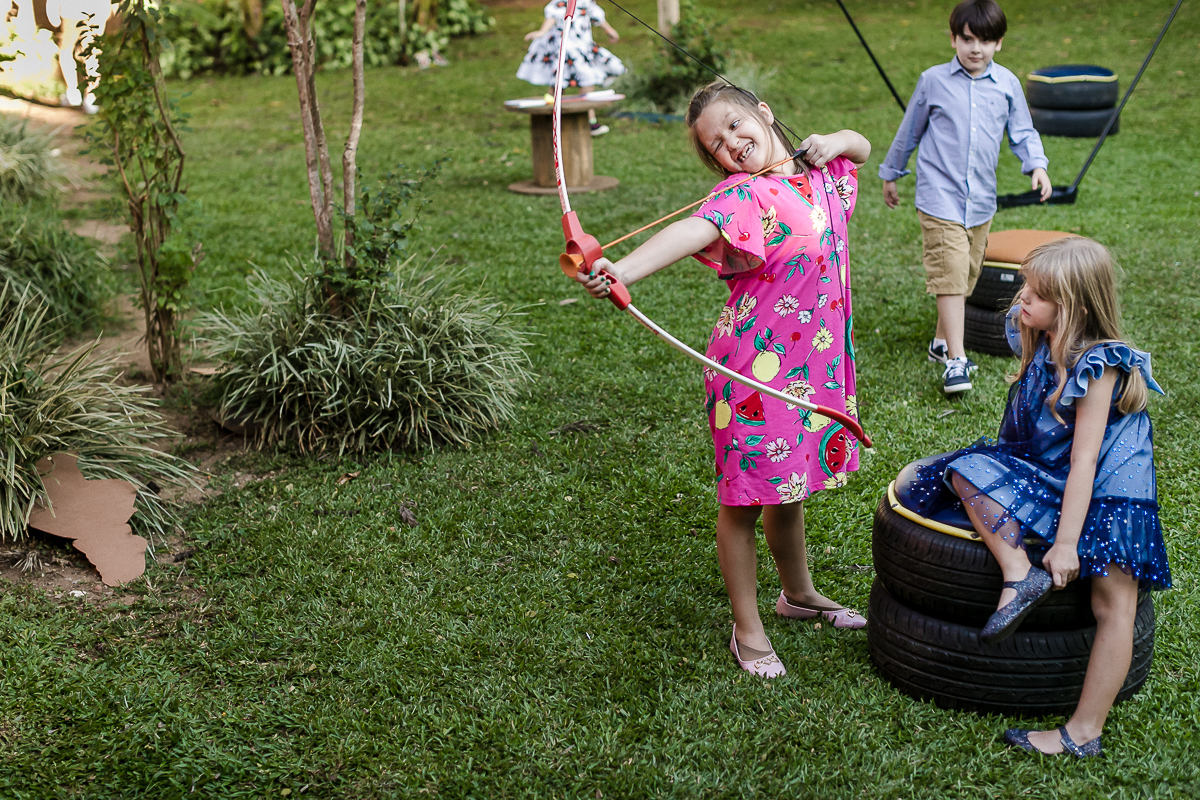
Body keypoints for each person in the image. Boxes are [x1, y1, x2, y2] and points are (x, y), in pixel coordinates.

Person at [574, 82, 871, 678]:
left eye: (737, 125)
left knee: (787, 487)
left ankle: (798, 595)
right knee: (744, 498)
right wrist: (620, 270)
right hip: (755, 375)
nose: (732, 143)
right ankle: (748, 630)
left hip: (814, 369)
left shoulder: (819, 174)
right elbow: (693, 229)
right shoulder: (744, 196)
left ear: (764, 113)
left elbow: (860, 146)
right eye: (717, 143)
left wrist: (834, 137)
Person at [901, 236, 1170, 757]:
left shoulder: (1100, 363)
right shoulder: (1041, 338)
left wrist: (1066, 544)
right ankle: (1019, 574)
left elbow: (1086, 462)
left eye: (1036, 292)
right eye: (1025, 285)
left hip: (1114, 492)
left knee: (1112, 602)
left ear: (1074, 307)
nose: (1021, 297)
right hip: (1055, 476)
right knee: (964, 469)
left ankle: (1083, 732)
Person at [878, 0, 1050, 395]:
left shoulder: (1006, 84)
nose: (976, 48)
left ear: (999, 43)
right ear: (953, 39)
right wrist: (891, 173)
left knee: (969, 274)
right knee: (951, 272)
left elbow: (1023, 133)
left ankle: (940, 343)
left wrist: (1036, 166)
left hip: (981, 201)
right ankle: (956, 360)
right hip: (939, 197)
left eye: (986, 41)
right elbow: (910, 132)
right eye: (968, 39)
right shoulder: (933, 81)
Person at [516, 0, 624, 136]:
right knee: (558, 83)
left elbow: (596, 15)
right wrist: (542, 31)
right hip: (563, 49)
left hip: (582, 47)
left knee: (587, 80)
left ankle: (590, 120)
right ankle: (552, 119)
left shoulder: (586, 1)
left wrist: (608, 30)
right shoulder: (561, 2)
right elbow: (553, 16)